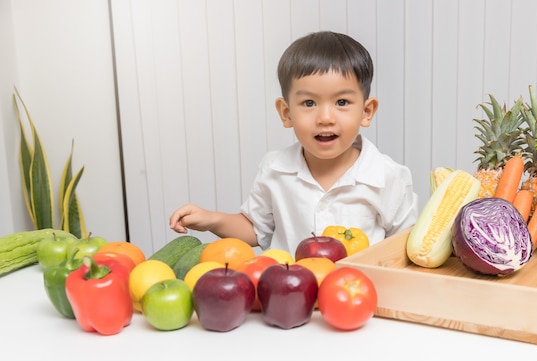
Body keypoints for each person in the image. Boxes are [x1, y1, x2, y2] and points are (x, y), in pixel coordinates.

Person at [169, 30, 419, 255]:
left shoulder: (388, 176)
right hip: (288, 294)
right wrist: (212, 219)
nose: (325, 118)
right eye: (309, 103)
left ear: (367, 111)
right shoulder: (275, 169)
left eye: (342, 102)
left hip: (355, 296)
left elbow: (403, 246)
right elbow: (256, 229)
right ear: (286, 113)